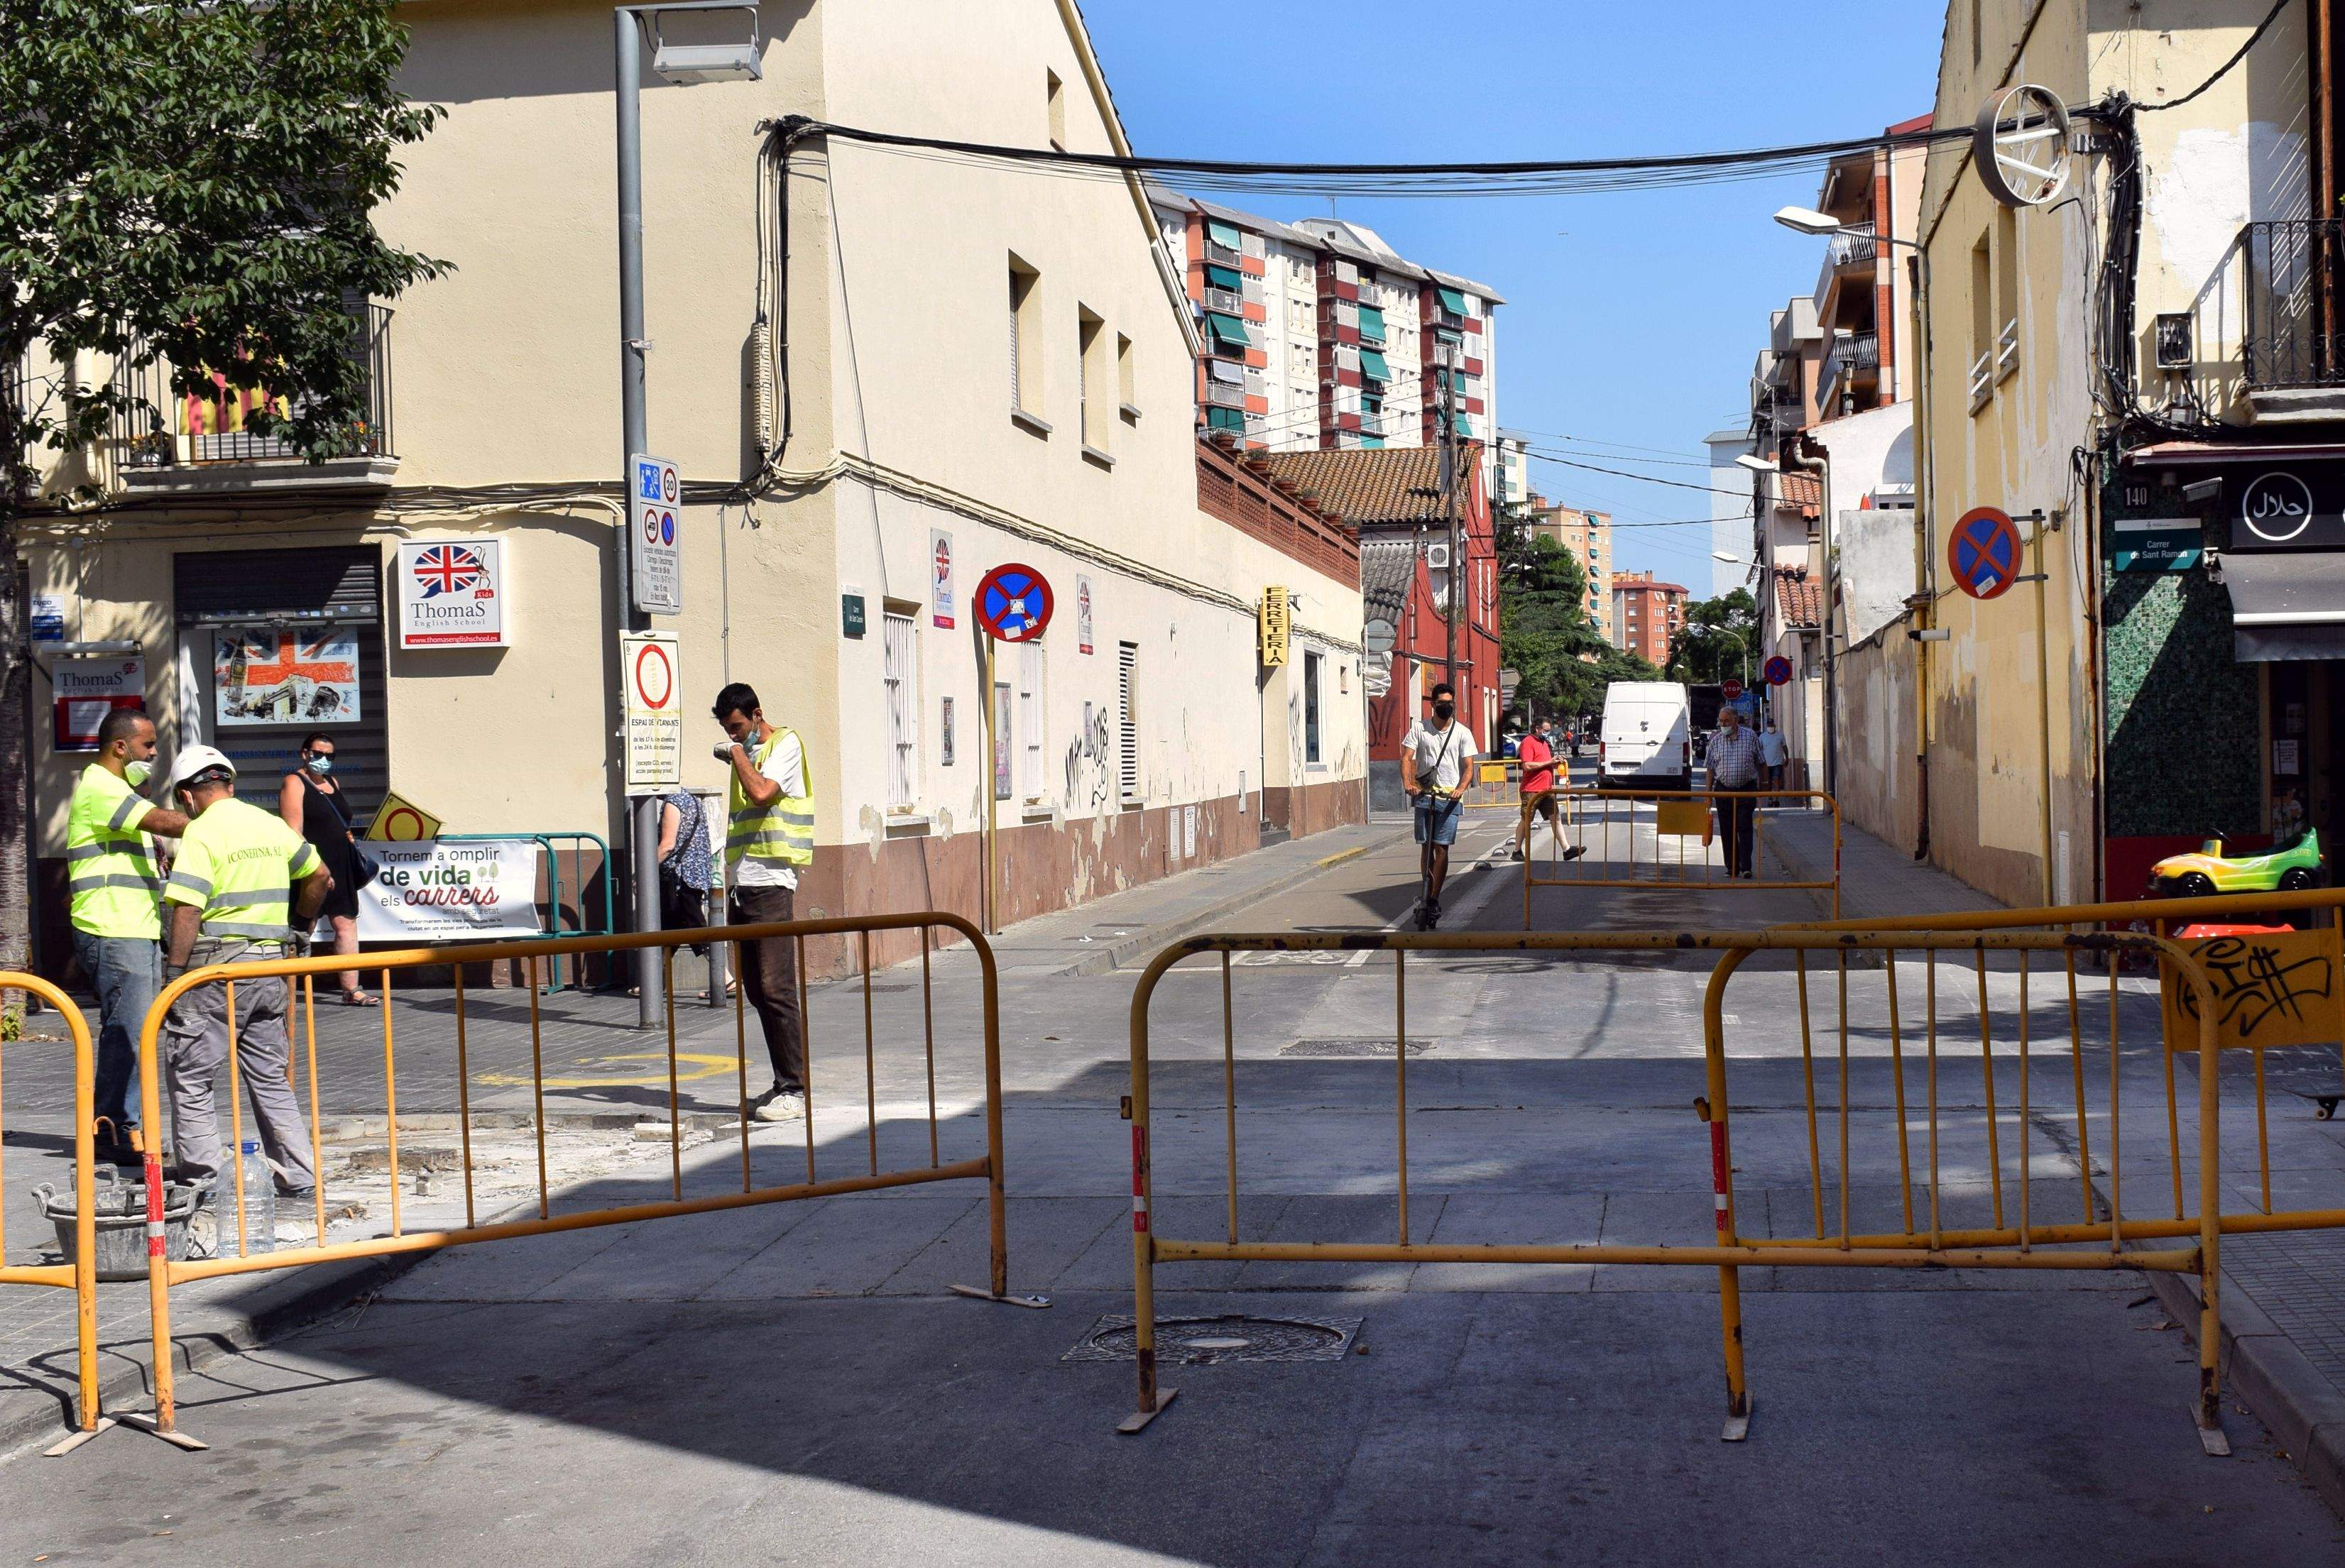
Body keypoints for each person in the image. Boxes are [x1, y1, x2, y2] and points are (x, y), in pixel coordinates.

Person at [160, 745, 331, 1205]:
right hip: (269, 969)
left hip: (216, 973)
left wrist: (174, 975)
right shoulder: (269, 825)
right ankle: (299, 1174)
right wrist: (300, 927)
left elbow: (187, 908)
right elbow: (321, 877)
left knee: (192, 1075)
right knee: (270, 1077)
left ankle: (203, 1181)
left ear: (186, 795)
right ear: (230, 785)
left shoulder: (200, 832)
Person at [67, 709, 189, 1162]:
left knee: (137, 1032)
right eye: (148, 745)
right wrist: (219, 823)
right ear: (121, 747)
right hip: (112, 927)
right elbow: (165, 822)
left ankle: (124, 1127)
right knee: (129, 1034)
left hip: (134, 928)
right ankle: (114, 1130)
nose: (154, 754)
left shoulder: (118, 790)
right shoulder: (100, 787)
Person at [712, 683, 813, 1122]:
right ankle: (781, 1084)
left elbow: (762, 793)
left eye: (737, 727)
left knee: (776, 989)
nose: (733, 736)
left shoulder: (784, 745)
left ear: (757, 715)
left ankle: (795, 1089)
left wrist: (738, 755)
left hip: (772, 884)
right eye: (727, 730)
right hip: (743, 885)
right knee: (756, 989)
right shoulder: (748, 753)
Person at [279, 732, 372, 1005]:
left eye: (330, 756)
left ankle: (351, 990)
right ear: (304, 754)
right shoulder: (294, 782)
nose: (323, 760)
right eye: (318, 754)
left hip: (341, 864)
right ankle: (285, 987)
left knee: (346, 922)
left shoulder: (333, 781)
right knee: (303, 925)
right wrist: (314, 868)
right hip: (312, 867)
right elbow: (293, 832)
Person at [1401, 681, 1477, 929]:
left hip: (1450, 799)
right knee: (1426, 846)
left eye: (1450, 703)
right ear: (1433, 704)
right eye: (1442, 703)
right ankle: (1426, 891)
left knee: (1441, 847)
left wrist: (1460, 788)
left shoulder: (1462, 732)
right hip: (1425, 796)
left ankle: (1433, 897)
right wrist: (1408, 783)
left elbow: (1469, 766)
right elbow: (1407, 757)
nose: (1447, 707)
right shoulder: (1420, 729)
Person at [1509, 723, 1586, 865]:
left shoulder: (1544, 743)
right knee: (1526, 820)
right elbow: (1527, 765)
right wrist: (1549, 762)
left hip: (1547, 789)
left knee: (1556, 818)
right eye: (1546, 730)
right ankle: (1517, 851)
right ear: (1537, 729)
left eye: (1549, 730)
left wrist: (1556, 762)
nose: (1548, 732)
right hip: (1531, 790)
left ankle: (1567, 849)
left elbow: (1545, 763)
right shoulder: (1527, 743)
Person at [656, 785, 716, 956]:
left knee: (694, 927)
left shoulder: (674, 801)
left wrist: (645, 873)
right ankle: (657, 973)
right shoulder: (690, 799)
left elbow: (667, 845)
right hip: (694, 875)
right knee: (674, 929)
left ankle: (722, 971)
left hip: (681, 878)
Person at [1707, 704, 1764, 879]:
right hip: (1723, 791)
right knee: (1727, 830)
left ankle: (1746, 867)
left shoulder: (1750, 736)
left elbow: (1761, 762)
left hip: (1746, 790)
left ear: (1735, 721)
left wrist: (1765, 786)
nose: (1723, 724)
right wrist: (1708, 794)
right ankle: (1732, 867)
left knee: (1744, 826)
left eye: (1726, 721)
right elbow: (1710, 769)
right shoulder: (1715, 740)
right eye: (1721, 721)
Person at [1757, 716, 1790, 794]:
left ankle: (1777, 798)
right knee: (1769, 780)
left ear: (1774, 726)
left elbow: (1785, 747)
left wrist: (1787, 758)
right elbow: (1759, 749)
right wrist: (1760, 761)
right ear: (1767, 726)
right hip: (1766, 763)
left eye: (1771, 725)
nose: (1770, 727)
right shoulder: (1762, 736)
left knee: (1776, 780)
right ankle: (1770, 797)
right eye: (1769, 725)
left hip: (1778, 762)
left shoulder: (1780, 735)